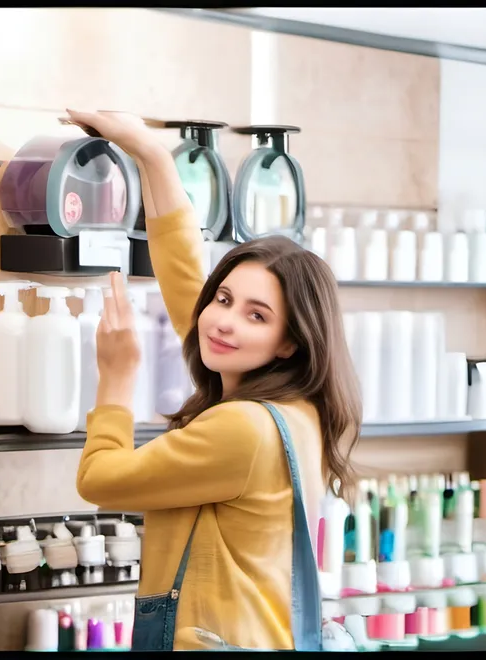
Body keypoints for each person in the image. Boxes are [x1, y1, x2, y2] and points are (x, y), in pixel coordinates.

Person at [67, 109, 363, 651]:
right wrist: (152, 156)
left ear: (289, 341)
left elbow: (100, 479)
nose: (224, 320)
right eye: (224, 299)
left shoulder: (243, 429)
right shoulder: (298, 409)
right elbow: (190, 290)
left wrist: (116, 376)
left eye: (257, 315)